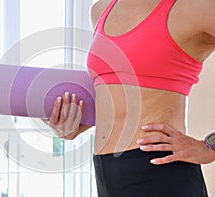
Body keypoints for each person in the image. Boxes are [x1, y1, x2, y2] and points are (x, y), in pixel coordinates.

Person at [43, 0, 215, 196]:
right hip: (106, 173)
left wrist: (209, 146)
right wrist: (74, 123)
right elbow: (120, 91)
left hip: (161, 171)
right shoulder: (101, 10)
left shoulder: (196, 7)